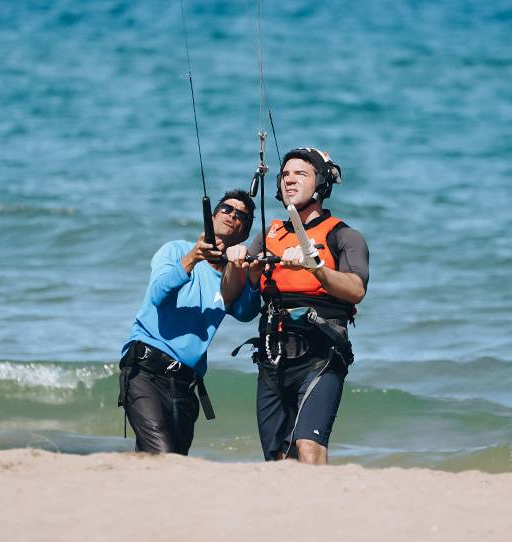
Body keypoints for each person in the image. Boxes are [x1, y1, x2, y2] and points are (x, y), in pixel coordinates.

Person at [223, 148, 369, 465]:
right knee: (277, 460)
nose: (290, 179)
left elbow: (356, 290)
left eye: (300, 174)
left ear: (321, 183)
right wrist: (235, 263)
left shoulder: (344, 236)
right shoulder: (269, 234)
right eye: (286, 174)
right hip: (272, 359)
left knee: (308, 449)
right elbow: (234, 295)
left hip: (320, 356)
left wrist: (315, 267)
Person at [118, 189, 259, 455]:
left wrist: (250, 275)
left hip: (184, 385)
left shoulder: (231, 279)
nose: (232, 216)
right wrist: (194, 257)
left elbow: (246, 312)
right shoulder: (176, 250)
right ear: (212, 215)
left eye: (241, 216)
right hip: (145, 372)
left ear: (243, 234)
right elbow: (159, 294)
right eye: (227, 209)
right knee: (163, 455)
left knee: (168, 460)